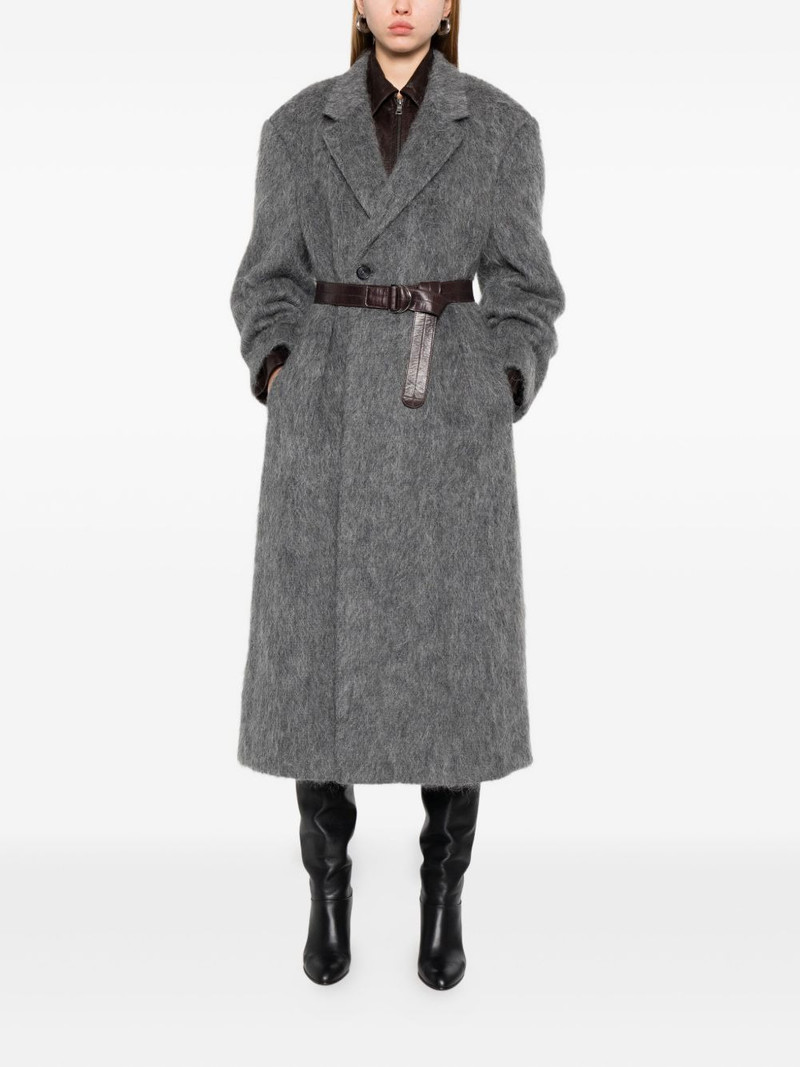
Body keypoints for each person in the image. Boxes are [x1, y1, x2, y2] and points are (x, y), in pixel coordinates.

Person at [229, 0, 565, 990]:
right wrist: (281, 368)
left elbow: (525, 290)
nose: (404, 2)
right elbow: (264, 282)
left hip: (448, 427)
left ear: (452, 3)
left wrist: (500, 381)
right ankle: (327, 891)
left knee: (453, 672)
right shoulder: (296, 127)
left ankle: (441, 897)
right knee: (314, 667)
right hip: (326, 425)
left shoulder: (499, 128)